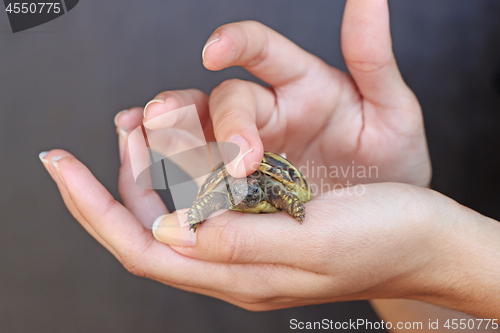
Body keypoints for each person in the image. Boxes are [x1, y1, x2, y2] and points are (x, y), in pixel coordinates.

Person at [39, 0, 500, 326]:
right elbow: (459, 322)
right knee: (221, 179)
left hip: (276, 187)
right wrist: (414, 265)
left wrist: (438, 253)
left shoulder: (269, 189)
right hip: (256, 184)